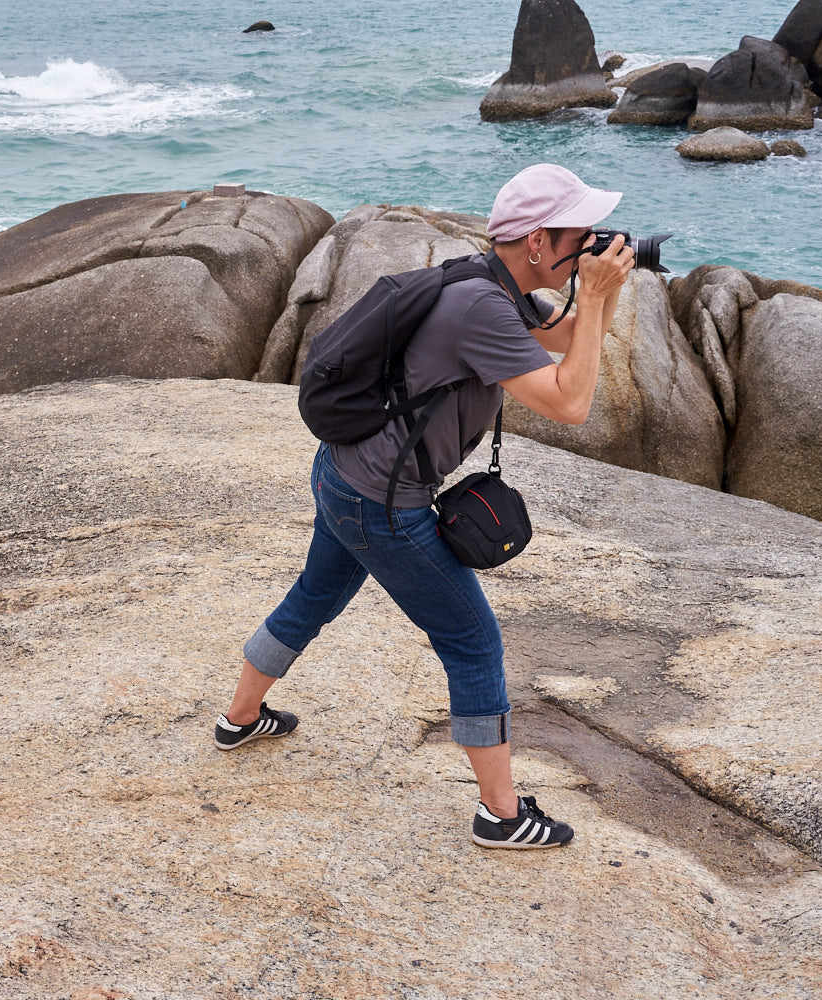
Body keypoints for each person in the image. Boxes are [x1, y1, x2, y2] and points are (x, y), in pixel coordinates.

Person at [213, 163, 635, 850]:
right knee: (473, 642)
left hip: (343, 474)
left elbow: (568, 341)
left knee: (315, 596)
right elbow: (571, 402)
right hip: (382, 502)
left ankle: (239, 718)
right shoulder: (482, 309)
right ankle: (500, 815)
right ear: (536, 241)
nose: (590, 241)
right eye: (578, 232)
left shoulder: (492, 284)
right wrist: (594, 294)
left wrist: (599, 291)